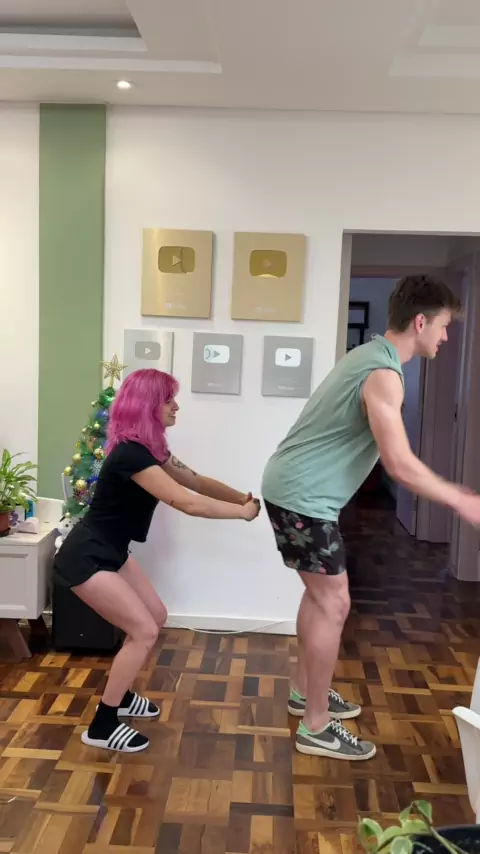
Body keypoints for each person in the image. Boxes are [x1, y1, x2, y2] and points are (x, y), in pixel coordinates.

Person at [261, 274, 480, 761]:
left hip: (297, 491)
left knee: (321, 597)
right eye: (443, 326)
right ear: (420, 322)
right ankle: (316, 726)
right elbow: (399, 464)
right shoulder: (383, 373)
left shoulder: (370, 356)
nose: (445, 337)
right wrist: (461, 499)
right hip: (303, 497)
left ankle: (305, 693)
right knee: (333, 603)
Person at [54, 368, 260, 754]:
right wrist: (242, 515)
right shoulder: (131, 455)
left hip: (111, 551)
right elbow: (186, 502)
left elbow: (196, 482)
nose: (176, 406)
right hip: (86, 556)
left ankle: (122, 695)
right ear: (148, 405)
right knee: (144, 631)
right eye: (168, 400)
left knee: (156, 616)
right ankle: (102, 725)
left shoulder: (150, 450)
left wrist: (241, 498)